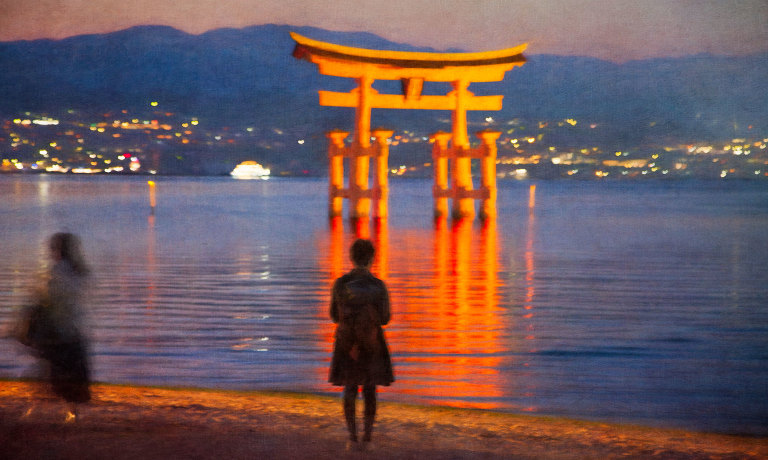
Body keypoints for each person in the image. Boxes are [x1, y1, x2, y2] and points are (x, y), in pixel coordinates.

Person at [19, 232, 92, 422]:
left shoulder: (57, 271)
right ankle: (71, 412)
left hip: (57, 330)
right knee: (66, 373)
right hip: (74, 330)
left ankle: (34, 409)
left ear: (58, 250)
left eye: (52, 249)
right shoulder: (79, 271)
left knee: (50, 369)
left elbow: (49, 298)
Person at [329, 239, 394, 451]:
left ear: (352, 258)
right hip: (371, 343)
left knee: (349, 388)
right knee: (369, 389)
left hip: (347, 342)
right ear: (372, 259)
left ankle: (352, 437)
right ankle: (367, 437)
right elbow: (385, 318)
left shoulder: (340, 284)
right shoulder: (378, 286)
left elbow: (333, 316)